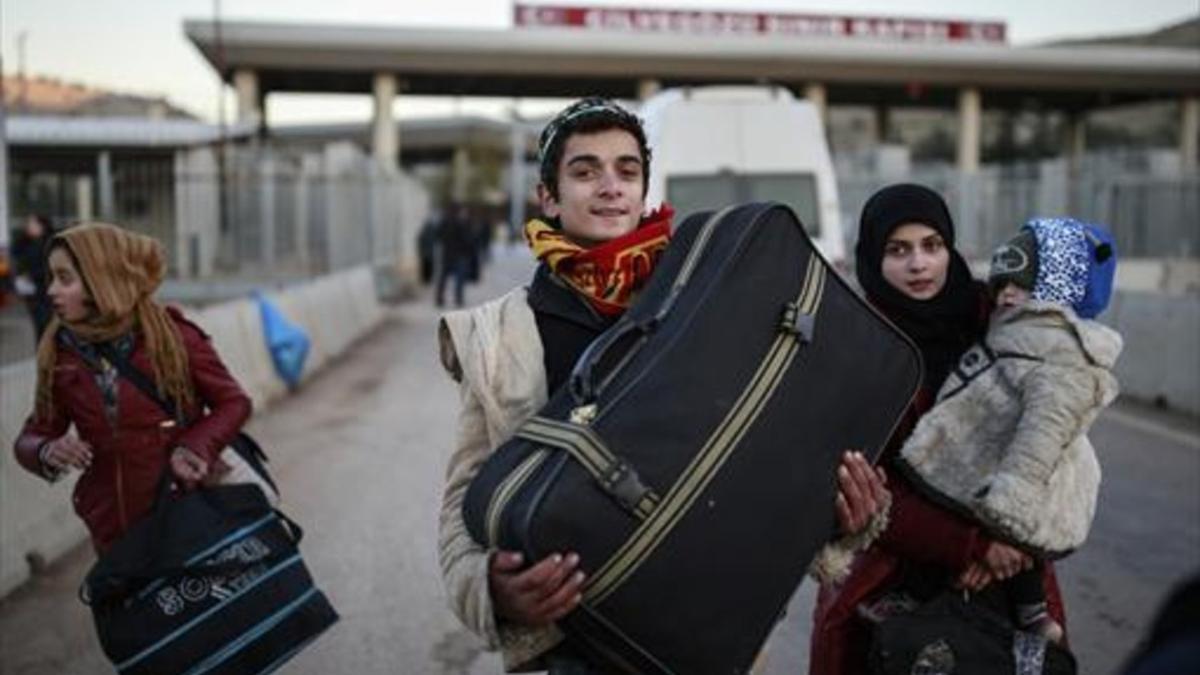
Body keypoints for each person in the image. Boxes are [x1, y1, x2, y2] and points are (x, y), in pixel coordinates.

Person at [437, 98, 888, 672]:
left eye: (627, 171)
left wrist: (844, 516)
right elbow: (462, 501)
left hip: (705, 636)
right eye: (585, 171)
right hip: (566, 646)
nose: (610, 186)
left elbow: (767, 450)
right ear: (548, 197)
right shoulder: (502, 334)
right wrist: (491, 591)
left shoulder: (707, 298)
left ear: (644, 189)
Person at [809, 184, 1070, 675]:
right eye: (898, 250)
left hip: (1013, 579)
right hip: (892, 590)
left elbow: (1053, 433)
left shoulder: (997, 321)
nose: (919, 265)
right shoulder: (858, 348)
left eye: (932, 246)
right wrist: (973, 546)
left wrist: (1011, 539)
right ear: (872, 257)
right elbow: (865, 482)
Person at [897, 217, 1121, 642]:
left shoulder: (1056, 349)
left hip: (1022, 491)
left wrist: (1005, 527)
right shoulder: (994, 322)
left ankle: (1032, 610)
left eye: (931, 246)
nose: (1006, 295)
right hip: (979, 491)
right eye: (1000, 285)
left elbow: (1045, 432)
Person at [12, 223, 253, 552]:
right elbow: (33, 433)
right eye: (51, 277)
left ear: (103, 279)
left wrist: (194, 447)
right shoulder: (59, 352)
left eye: (65, 278)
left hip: (187, 513)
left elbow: (234, 403)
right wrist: (45, 450)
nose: (52, 290)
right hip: (113, 531)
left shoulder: (174, 337)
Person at [12, 214, 55, 339]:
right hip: (33, 293)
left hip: (44, 292)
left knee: (45, 326)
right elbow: (17, 255)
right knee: (39, 326)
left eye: (32, 224)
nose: (28, 227)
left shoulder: (48, 244)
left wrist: (31, 275)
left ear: (42, 226)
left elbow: (47, 268)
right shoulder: (27, 243)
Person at [436, 202, 479, 308]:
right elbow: (467, 239)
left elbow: (438, 235)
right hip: (460, 255)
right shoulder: (461, 223)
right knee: (459, 279)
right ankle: (458, 298)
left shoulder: (444, 221)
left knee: (443, 277)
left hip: (447, 254)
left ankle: (439, 298)